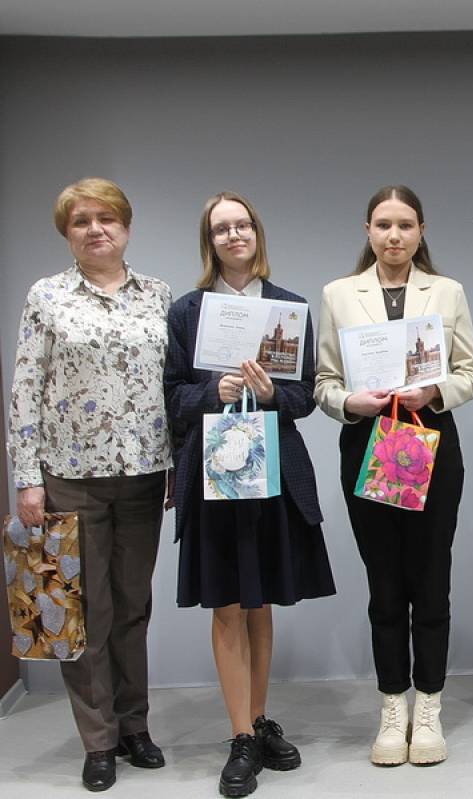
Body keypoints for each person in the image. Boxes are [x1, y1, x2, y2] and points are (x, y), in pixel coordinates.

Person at [164, 192, 335, 796]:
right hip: (215, 474)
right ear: (209, 242)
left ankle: (259, 723)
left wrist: (268, 394)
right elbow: (173, 397)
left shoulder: (289, 307)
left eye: (242, 225)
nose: (234, 235)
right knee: (228, 604)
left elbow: (304, 397)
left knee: (261, 603)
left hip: (273, 474)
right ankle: (239, 736)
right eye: (221, 229)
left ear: (257, 233)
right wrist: (212, 392)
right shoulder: (187, 311)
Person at [8, 178, 172, 792]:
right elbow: (26, 388)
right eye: (81, 221)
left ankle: (135, 727)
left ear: (126, 226)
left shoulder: (158, 295)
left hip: (145, 474)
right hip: (71, 476)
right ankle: (99, 740)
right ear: (67, 233)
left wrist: (177, 466)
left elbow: (172, 384)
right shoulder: (47, 296)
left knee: (133, 608)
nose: (95, 229)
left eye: (107, 218)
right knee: (86, 613)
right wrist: (27, 479)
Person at [315, 185, 473, 765]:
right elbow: (323, 382)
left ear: (421, 231)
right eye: (383, 224)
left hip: (431, 441)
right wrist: (350, 402)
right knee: (385, 585)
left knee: (431, 581)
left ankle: (429, 705)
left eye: (405, 225)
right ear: (367, 229)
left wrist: (434, 391)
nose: (394, 235)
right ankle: (392, 707)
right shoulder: (339, 294)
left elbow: (472, 372)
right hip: (368, 443)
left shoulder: (447, 291)